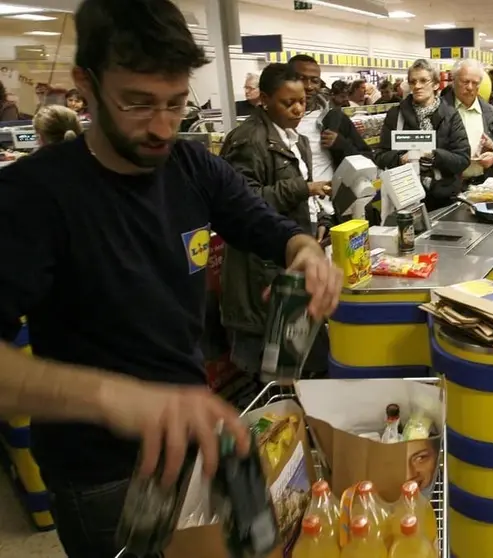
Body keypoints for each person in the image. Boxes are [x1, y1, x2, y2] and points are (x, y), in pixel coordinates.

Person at [0, 2, 343, 556]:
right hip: (104, 474)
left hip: (197, 439)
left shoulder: (191, 166)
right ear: (84, 85)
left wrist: (305, 251)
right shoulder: (33, 199)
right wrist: (117, 398)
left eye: (176, 103)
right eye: (137, 103)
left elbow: (267, 226)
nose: (162, 126)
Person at [219, 63, 332, 378]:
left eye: (302, 102)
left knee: (298, 371)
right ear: (264, 99)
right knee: (268, 377)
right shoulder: (247, 141)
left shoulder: (298, 141)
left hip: (290, 265)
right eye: (288, 102)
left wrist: (317, 220)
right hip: (259, 274)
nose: (298, 109)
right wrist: (303, 188)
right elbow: (244, 206)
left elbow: (299, 198)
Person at [375, 58, 470, 211]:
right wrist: (400, 159)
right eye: (413, 82)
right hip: (404, 197)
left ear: (436, 84)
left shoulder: (450, 116)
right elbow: (380, 156)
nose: (417, 86)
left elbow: (462, 159)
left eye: (423, 80)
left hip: (443, 199)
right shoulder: (396, 115)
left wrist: (433, 155)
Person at [289, 55, 371, 187]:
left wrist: (341, 144)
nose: (309, 86)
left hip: (330, 202)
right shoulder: (277, 121)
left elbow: (367, 158)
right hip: (294, 203)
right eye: (301, 79)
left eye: (314, 80)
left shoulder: (334, 117)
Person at [442, 59, 493, 184]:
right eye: (465, 82)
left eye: (475, 83)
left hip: (483, 185)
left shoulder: (492, 113)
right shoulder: (439, 110)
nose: (470, 87)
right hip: (447, 186)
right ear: (453, 81)